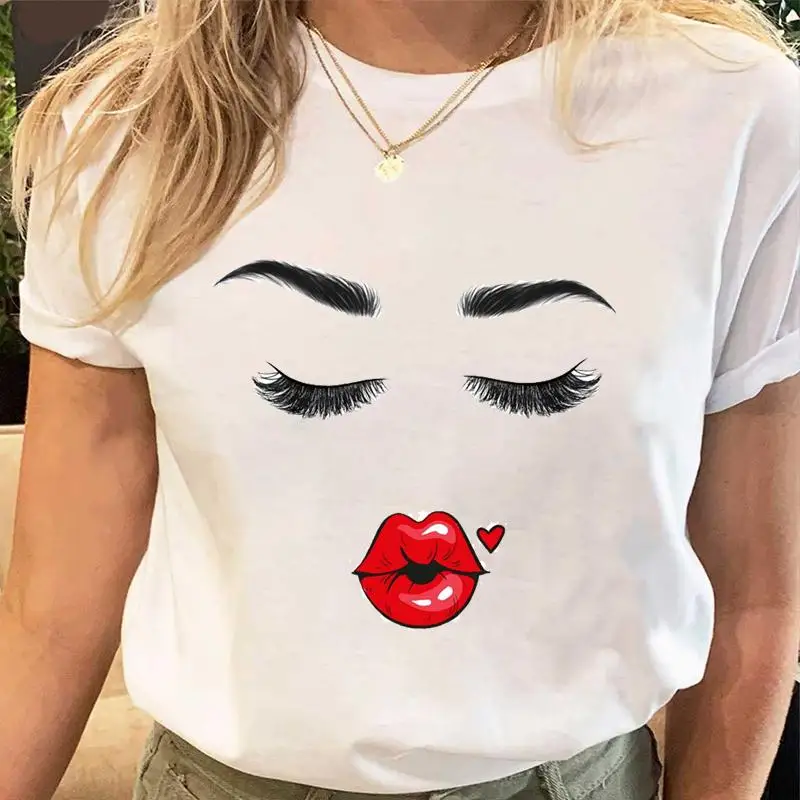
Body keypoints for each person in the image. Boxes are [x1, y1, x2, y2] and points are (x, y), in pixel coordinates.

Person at [2, 1, 799, 798]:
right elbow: (50, 615)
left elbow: (754, 597)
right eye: (304, 380)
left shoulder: (731, 111)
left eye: (539, 378)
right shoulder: (127, 127)